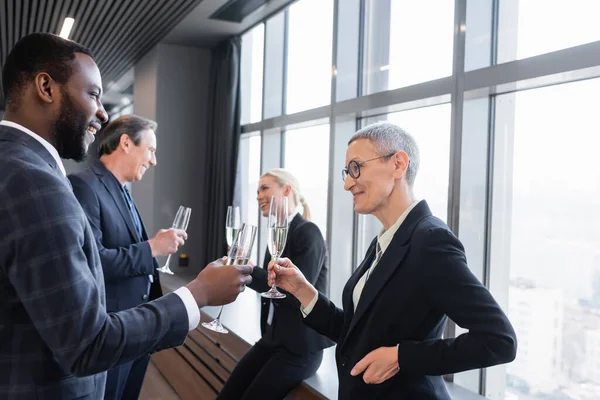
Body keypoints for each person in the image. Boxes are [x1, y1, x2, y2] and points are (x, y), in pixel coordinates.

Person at [0, 32, 252, 399]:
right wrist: (198, 293)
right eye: (93, 94)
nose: (103, 113)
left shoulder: (15, 167)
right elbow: (87, 343)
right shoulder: (36, 184)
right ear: (45, 87)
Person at [268, 122, 517, 399]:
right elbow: (356, 333)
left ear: (398, 164)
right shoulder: (384, 242)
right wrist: (303, 291)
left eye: (356, 168)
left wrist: (402, 356)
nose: (348, 183)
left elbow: (500, 340)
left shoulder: (430, 241)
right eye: (347, 172)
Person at [68, 115, 177, 400]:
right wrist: (152, 248)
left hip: (135, 329)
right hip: (111, 331)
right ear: (126, 143)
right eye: (151, 150)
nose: (153, 160)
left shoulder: (122, 189)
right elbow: (94, 262)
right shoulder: (84, 185)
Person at [217, 169, 334, 400]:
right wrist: (243, 271)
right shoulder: (277, 233)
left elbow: (296, 293)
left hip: (300, 349)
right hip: (272, 340)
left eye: (265, 188)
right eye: (257, 190)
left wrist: (250, 269)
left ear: (286, 190)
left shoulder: (308, 233)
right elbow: (268, 286)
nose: (258, 195)